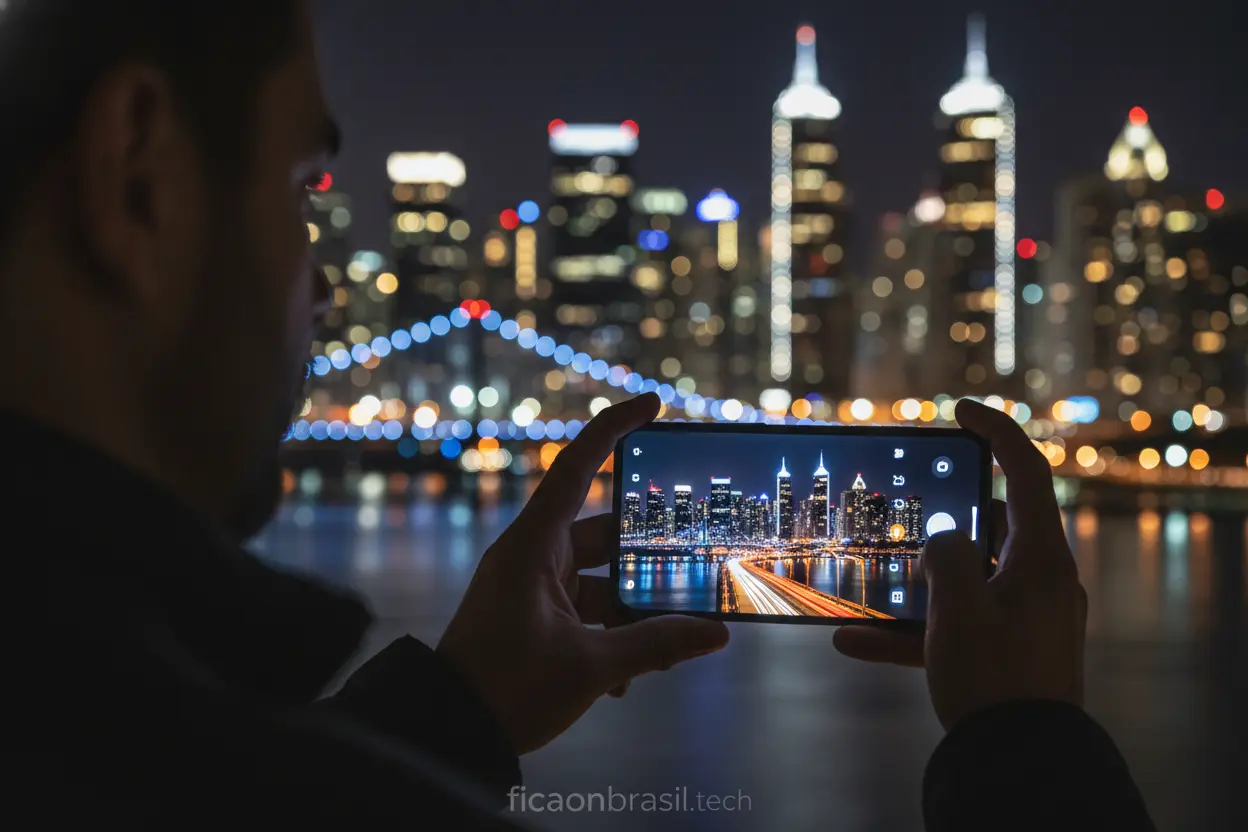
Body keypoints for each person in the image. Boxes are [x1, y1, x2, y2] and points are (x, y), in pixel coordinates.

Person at [0, 2, 1154, 829]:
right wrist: (1029, 748)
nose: (327, 285)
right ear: (136, 177)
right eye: (304, 190)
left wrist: (458, 708)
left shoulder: (78, 728)